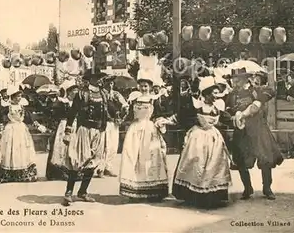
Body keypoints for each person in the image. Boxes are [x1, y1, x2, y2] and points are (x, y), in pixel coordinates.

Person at [159, 76, 232, 209]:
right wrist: (167, 121)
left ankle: (213, 196)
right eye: (214, 93)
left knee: (214, 165)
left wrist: (238, 119)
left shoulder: (218, 106)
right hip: (197, 136)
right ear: (206, 93)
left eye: (217, 93)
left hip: (213, 138)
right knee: (195, 163)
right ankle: (193, 196)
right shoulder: (197, 105)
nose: (216, 96)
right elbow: (182, 117)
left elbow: (227, 118)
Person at [226, 68, 283, 200]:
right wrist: (233, 116)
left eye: (238, 79)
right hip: (241, 131)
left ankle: (267, 188)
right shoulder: (232, 95)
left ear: (246, 79)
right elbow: (226, 110)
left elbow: (271, 91)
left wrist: (258, 100)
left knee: (265, 159)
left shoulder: (256, 90)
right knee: (240, 160)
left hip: (258, 130)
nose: (235, 82)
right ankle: (247, 188)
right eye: (234, 80)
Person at [59, 68, 109, 206]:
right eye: (97, 77)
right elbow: (72, 113)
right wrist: (68, 132)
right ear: (90, 79)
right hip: (84, 130)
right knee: (77, 160)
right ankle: (68, 192)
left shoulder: (104, 94)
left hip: (99, 131)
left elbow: (108, 111)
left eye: (100, 77)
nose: (100, 79)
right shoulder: (81, 94)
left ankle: (82, 191)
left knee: (93, 163)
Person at [119, 69, 169, 202]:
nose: (143, 88)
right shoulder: (134, 98)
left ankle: (154, 190)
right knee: (133, 158)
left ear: (150, 87)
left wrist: (160, 123)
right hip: (135, 130)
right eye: (141, 85)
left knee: (150, 159)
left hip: (149, 130)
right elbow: (129, 115)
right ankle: (134, 189)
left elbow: (158, 115)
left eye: (146, 85)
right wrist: (124, 113)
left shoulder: (154, 100)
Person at [0, 87, 47, 182]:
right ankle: (10, 173)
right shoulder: (7, 107)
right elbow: (0, 117)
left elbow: (29, 118)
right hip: (11, 129)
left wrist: (39, 126)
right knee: (11, 150)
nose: (19, 98)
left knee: (23, 150)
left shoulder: (22, 107)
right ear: (12, 97)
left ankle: (23, 173)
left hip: (21, 129)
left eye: (20, 96)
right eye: (17, 96)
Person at [96, 77, 129, 178]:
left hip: (114, 122)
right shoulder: (101, 94)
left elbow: (124, 104)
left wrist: (124, 108)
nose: (110, 85)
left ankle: (108, 167)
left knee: (113, 145)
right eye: (108, 83)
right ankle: (100, 169)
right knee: (105, 145)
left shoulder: (116, 94)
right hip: (104, 122)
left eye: (111, 83)